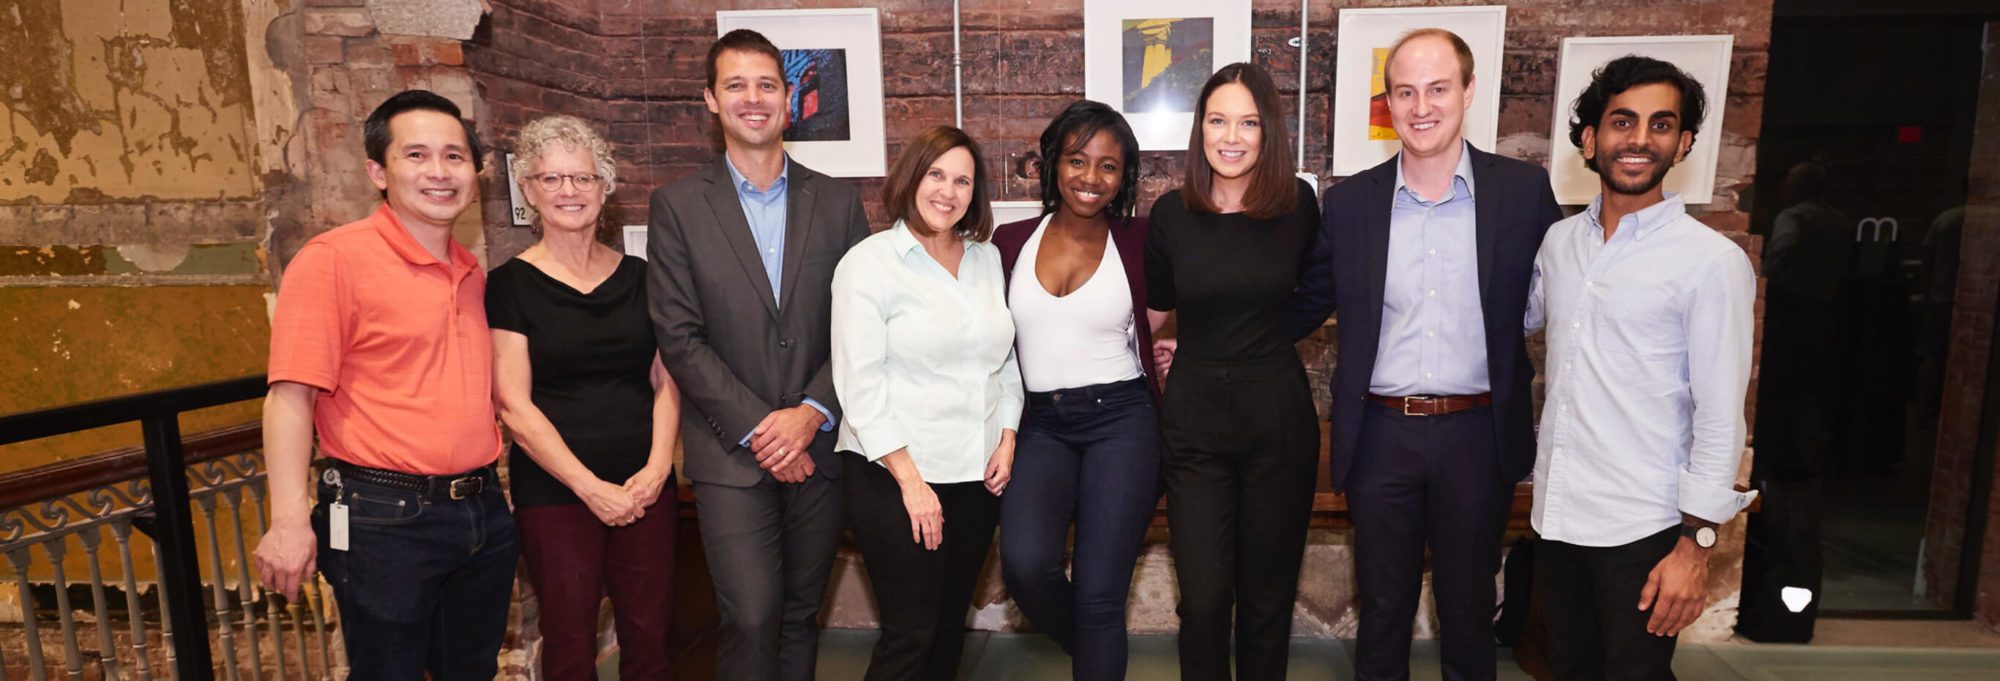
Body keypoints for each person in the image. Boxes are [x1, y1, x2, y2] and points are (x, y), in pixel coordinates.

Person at [1291, 28, 1563, 681]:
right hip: (1381, 434)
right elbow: (1306, 302)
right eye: (1405, 92)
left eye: (1437, 88)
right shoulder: (1350, 203)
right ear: (1388, 104)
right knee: (1382, 608)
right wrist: (1210, 336)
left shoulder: (1524, 193)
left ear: (1468, 91)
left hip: (1478, 433)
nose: (1421, 106)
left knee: (1469, 608)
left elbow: (1570, 295)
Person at [253, 90, 519, 678]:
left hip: (480, 511)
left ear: (474, 172)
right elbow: (290, 396)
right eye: (417, 155)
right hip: (382, 518)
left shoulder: (471, 273)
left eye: (454, 157)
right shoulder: (333, 262)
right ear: (378, 170)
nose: (439, 172)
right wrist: (290, 519)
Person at [646, 29, 873, 681]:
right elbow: (679, 335)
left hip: (820, 447)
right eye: (736, 85)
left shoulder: (836, 200)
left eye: (767, 84)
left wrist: (809, 412)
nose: (753, 98)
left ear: (787, 98)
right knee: (750, 612)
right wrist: (761, 425)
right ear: (711, 101)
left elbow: (858, 328)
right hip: (729, 453)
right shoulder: (678, 207)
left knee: (801, 614)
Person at [1526, 55, 1757, 681]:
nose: (1638, 139)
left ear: (1682, 144)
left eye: (1660, 125)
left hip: (1647, 530)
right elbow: (1513, 323)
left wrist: (1696, 545)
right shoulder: (1559, 245)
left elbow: (1719, 418)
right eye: (1622, 121)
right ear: (1590, 138)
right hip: (1559, 518)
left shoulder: (1710, 262)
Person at [1145, 62, 1322, 681]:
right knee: (1206, 598)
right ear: (1200, 130)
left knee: (1268, 598)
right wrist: (1167, 348)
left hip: (1276, 410)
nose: (1232, 136)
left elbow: (1320, 289)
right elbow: (1156, 312)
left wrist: (1266, 337)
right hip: (1194, 420)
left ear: (1268, 131)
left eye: (1248, 122)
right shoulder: (1171, 214)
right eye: (1218, 120)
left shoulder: (1297, 203)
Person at [488, 114, 680, 681]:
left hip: (645, 487)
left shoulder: (645, 278)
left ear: (606, 187)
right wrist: (589, 487)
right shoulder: (508, 286)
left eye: (583, 178)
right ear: (528, 191)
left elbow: (668, 380)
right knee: (569, 638)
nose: (569, 191)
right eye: (551, 179)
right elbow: (514, 406)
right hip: (556, 492)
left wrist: (657, 468)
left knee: (650, 632)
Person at [830, 126, 1020, 681]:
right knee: (910, 633)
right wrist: (912, 483)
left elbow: (1004, 359)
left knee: (944, 630)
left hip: (975, 476)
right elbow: (858, 384)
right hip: (894, 475)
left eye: (962, 180)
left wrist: (1007, 437)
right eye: (937, 174)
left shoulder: (986, 259)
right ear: (912, 177)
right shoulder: (869, 264)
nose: (948, 190)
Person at [992, 100, 1164, 681]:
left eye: (1108, 166)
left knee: (1098, 595)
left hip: (1123, 420)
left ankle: (1097, 647)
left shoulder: (1141, 240)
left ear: (1125, 176)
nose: (1091, 178)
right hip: (1041, 423)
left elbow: (1176, 316)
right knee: (1025, 563)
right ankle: (1098, 651)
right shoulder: (1009, 240)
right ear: (1052, 165)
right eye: (1077, 160)